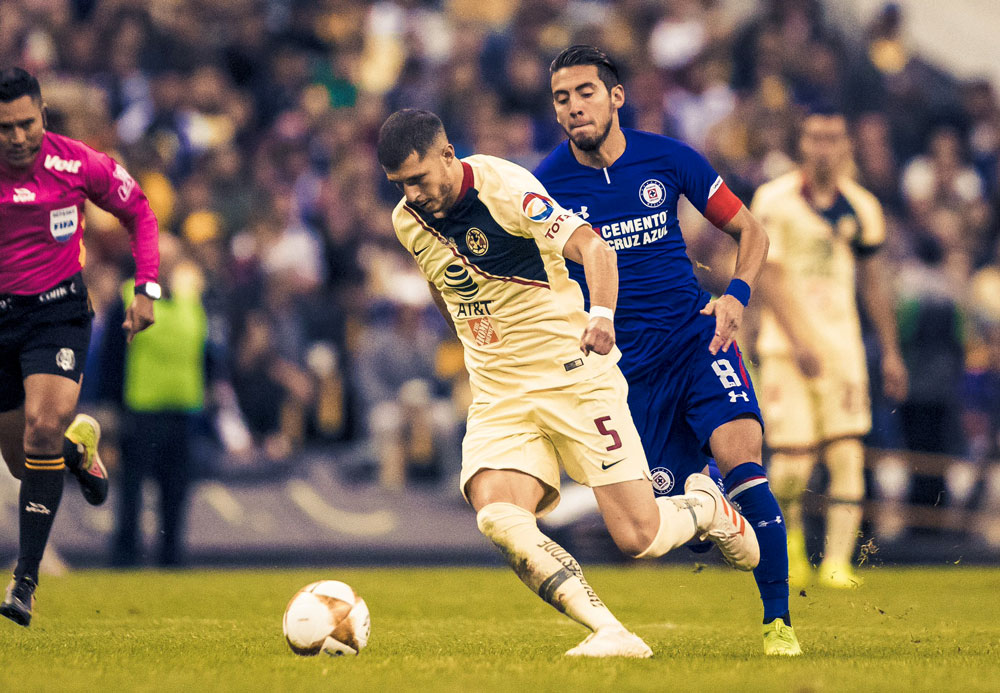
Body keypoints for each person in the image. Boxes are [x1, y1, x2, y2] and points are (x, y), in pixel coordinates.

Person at [378, 108, 758, 659]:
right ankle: (609, 631)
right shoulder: (407, 220)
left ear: (446, 155)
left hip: (572, 376)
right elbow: (442, 282)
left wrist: (601, 314)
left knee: (639, 536)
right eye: (399, 186)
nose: (412, 194)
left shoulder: (507, 188)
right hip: (500, 391)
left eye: (418, 179)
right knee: (498, 515)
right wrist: (469, 340)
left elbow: (596, 249)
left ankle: (706, 507)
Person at [534, 45, 799, 656]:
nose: (574, 107)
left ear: (616, 96)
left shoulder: (670, 158)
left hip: (696, 337)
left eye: (585, 93)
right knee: (658, 522)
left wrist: (736, 294)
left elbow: (750, 231)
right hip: (626, 378)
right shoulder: (545, 186)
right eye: (561, 98)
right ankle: (707, 501)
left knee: (745, 458)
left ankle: (778, 623)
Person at [0, 67, 159, 625]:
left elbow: (138, 208)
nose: (17, 137)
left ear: (41, 115)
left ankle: (24, 582)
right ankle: (76, 449)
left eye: (26, 124)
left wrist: (147, 287)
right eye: (5, 129)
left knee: (41, 425)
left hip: (57, 314)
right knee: (25, 462)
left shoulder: (76, 162)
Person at [751, 108, 908, 589]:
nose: (824, 147)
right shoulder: (773, 200)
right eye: (816, 138)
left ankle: (838, 562)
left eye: (833, 138)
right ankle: (791, 542)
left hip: (842, 350)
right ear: (802, 143)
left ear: (846, 146)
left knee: (846, 456)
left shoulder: (862, 207)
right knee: (793, 463)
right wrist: (799, 341)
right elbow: (768, 275)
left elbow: (873, 284)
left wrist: (891, 351)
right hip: (785, 348)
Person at [100, 234, 205, 568]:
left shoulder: (190, 299)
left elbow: (203, 354)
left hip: (182, 409)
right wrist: (112, 405)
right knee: (132, 488)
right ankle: (126, 555)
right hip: (140, 408)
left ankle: (171, 555)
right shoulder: (128, 295)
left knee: (175, 490)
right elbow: (112, 356)